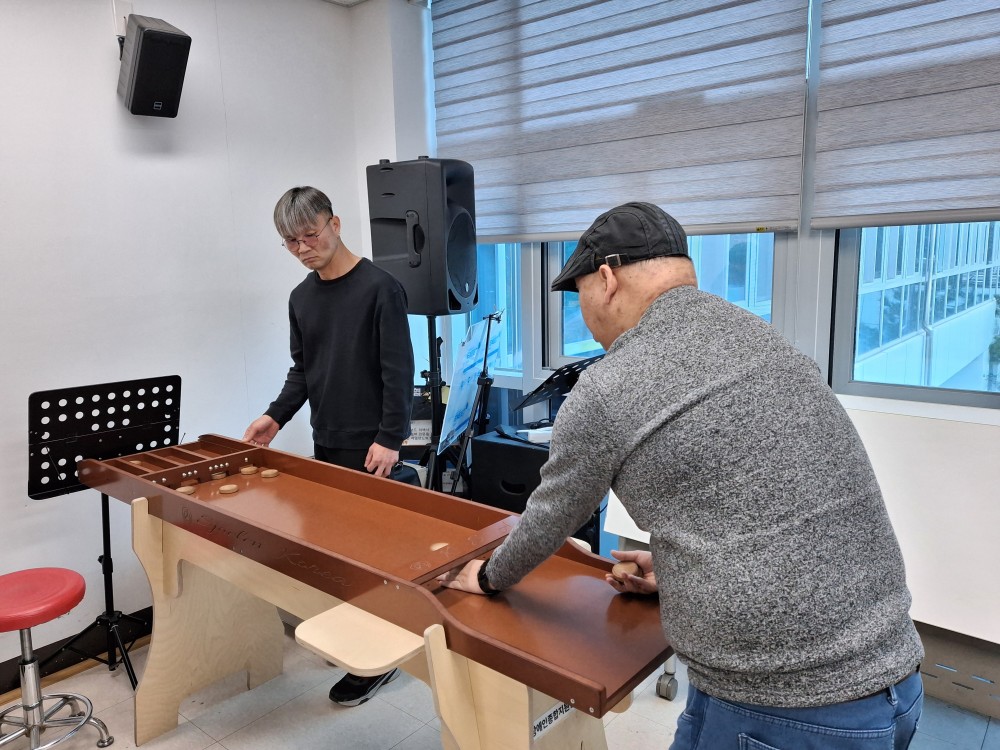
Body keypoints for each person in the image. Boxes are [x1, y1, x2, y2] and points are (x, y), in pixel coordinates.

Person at [438, 202, 924, 749]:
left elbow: (552, 514)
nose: (586, 318)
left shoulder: (610, 385)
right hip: (895, 680)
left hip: (786, 706)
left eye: (580, 296)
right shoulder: (761, 338)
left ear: (607, 279)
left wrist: (486, 577)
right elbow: (765, 506)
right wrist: (677, 571)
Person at [244, 186, 414, 707]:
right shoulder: (302, 298)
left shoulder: (381, 289)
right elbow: (304, 369)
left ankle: (380, 661)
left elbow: (398, 371)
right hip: (328, 439)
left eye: (309, 235)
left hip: (374, 447)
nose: (302, 249)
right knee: (341, 553)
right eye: (290, 242)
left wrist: (390, 437)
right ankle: (359, 641)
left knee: (377, 558)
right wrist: (274, 416)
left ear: (334, 224)